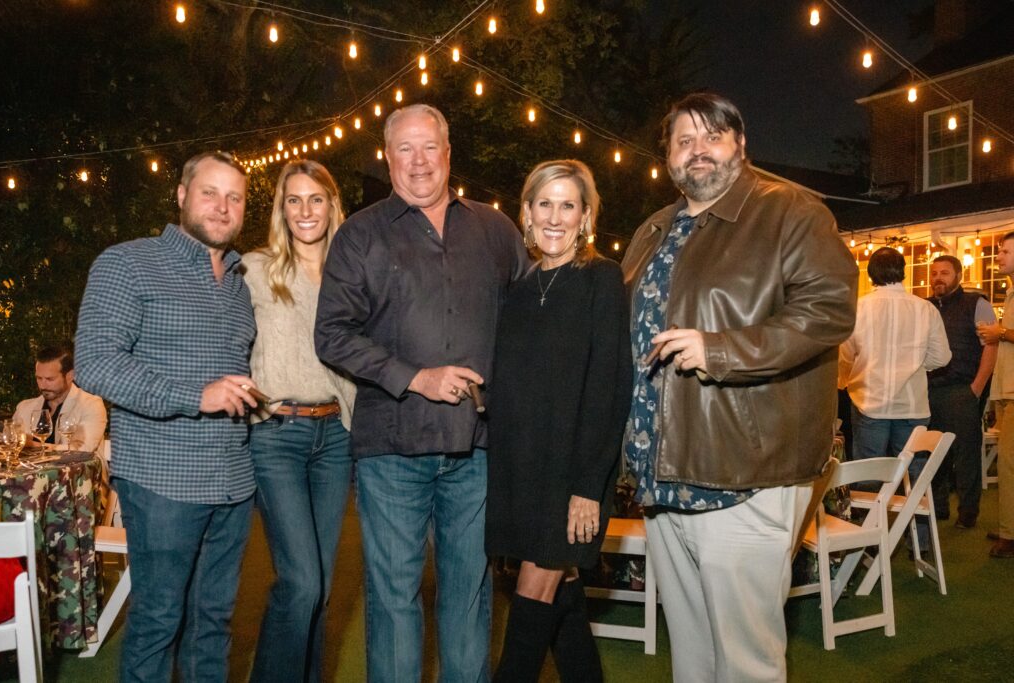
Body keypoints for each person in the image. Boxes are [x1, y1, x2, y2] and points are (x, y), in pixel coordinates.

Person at [621, 92, 857, 682]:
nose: (697, 149)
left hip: (744, 471)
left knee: (746, 661)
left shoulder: (791, 212)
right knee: (693, 654)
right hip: (662, 474)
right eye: (684, 140)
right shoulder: (654, 229)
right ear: (668, 156)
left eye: (712, 136)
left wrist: (721, 350)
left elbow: (828, 310)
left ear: (740, 144)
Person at [314, 104, 528, 682]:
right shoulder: (360, 234)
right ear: (388, 158)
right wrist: (416, 377)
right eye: (404, 149)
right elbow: (331, 334)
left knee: (469, 597)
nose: (418, 161)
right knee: (393, 600)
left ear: (448, 153)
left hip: (476, 447)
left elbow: (531, 323)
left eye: (429, 146)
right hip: (391, 448)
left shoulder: (495, 230)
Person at [75, 151, 259, 681]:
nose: (222, 206)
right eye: (209, 193)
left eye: (234, 197)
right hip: (163, 480)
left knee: (212, 625)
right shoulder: (128, 263)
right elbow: (95, 362)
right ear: (181, 195)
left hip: (233, 482)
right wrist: (195, 395)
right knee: (158, 621)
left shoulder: (240, 284)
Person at [487, 160, 632, 681]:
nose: (554, 217)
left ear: (586, 216)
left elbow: (610, 386)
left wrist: (588, 486)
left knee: (532, 596)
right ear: (526, 213)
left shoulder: (602, 279)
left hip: (570, 475)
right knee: (561, 599)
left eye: (567, 205)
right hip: (519, 471)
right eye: (544, 204)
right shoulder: (519, 289)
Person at [242, 160, 357, 682]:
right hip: (277, 436)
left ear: (333, 205)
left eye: (316, 198)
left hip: (336, 438)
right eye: (294, 199)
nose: (305, 210)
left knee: (321, 586)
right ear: (281, 209)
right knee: (302, 582)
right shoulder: (256, 269)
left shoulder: (352, 275)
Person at [839, 247, 951, 463]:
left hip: (869, 401)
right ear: (903, 272)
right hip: (913, 405)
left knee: (868, 470)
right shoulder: (925, 309)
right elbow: (941, 357)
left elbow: (845, 356)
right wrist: (916, 364)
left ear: (870, 274)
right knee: (912, 471)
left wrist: (843, 381)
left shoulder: (857, 309)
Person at [927, 254, 997, 529]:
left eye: (944, 273)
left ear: (958, 276)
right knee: (932, 453)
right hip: (929, 390)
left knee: (966, 453)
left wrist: (976, 387)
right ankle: (938, 506)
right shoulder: (925, 307)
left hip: (962, 389)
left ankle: (968, 512)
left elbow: (991, 347)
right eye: (934, 273)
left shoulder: (977, 303)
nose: (937, 278)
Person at [976, 231, 1014, 558]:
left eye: (1005, 251)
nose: (998, 256)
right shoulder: (1011, 291)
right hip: (1006, 389)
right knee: (1007, 463)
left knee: (1009, 464)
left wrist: (999, 331)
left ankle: (1010, 534)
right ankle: (1008, 525)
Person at [13, 342, 107, 452]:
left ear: (70, 376)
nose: (42, 385)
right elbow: (12, 442)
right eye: (39, 378)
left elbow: (82, 449)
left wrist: (33, 445)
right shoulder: (24, 407)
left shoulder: (91, 405)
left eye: (50, 379)